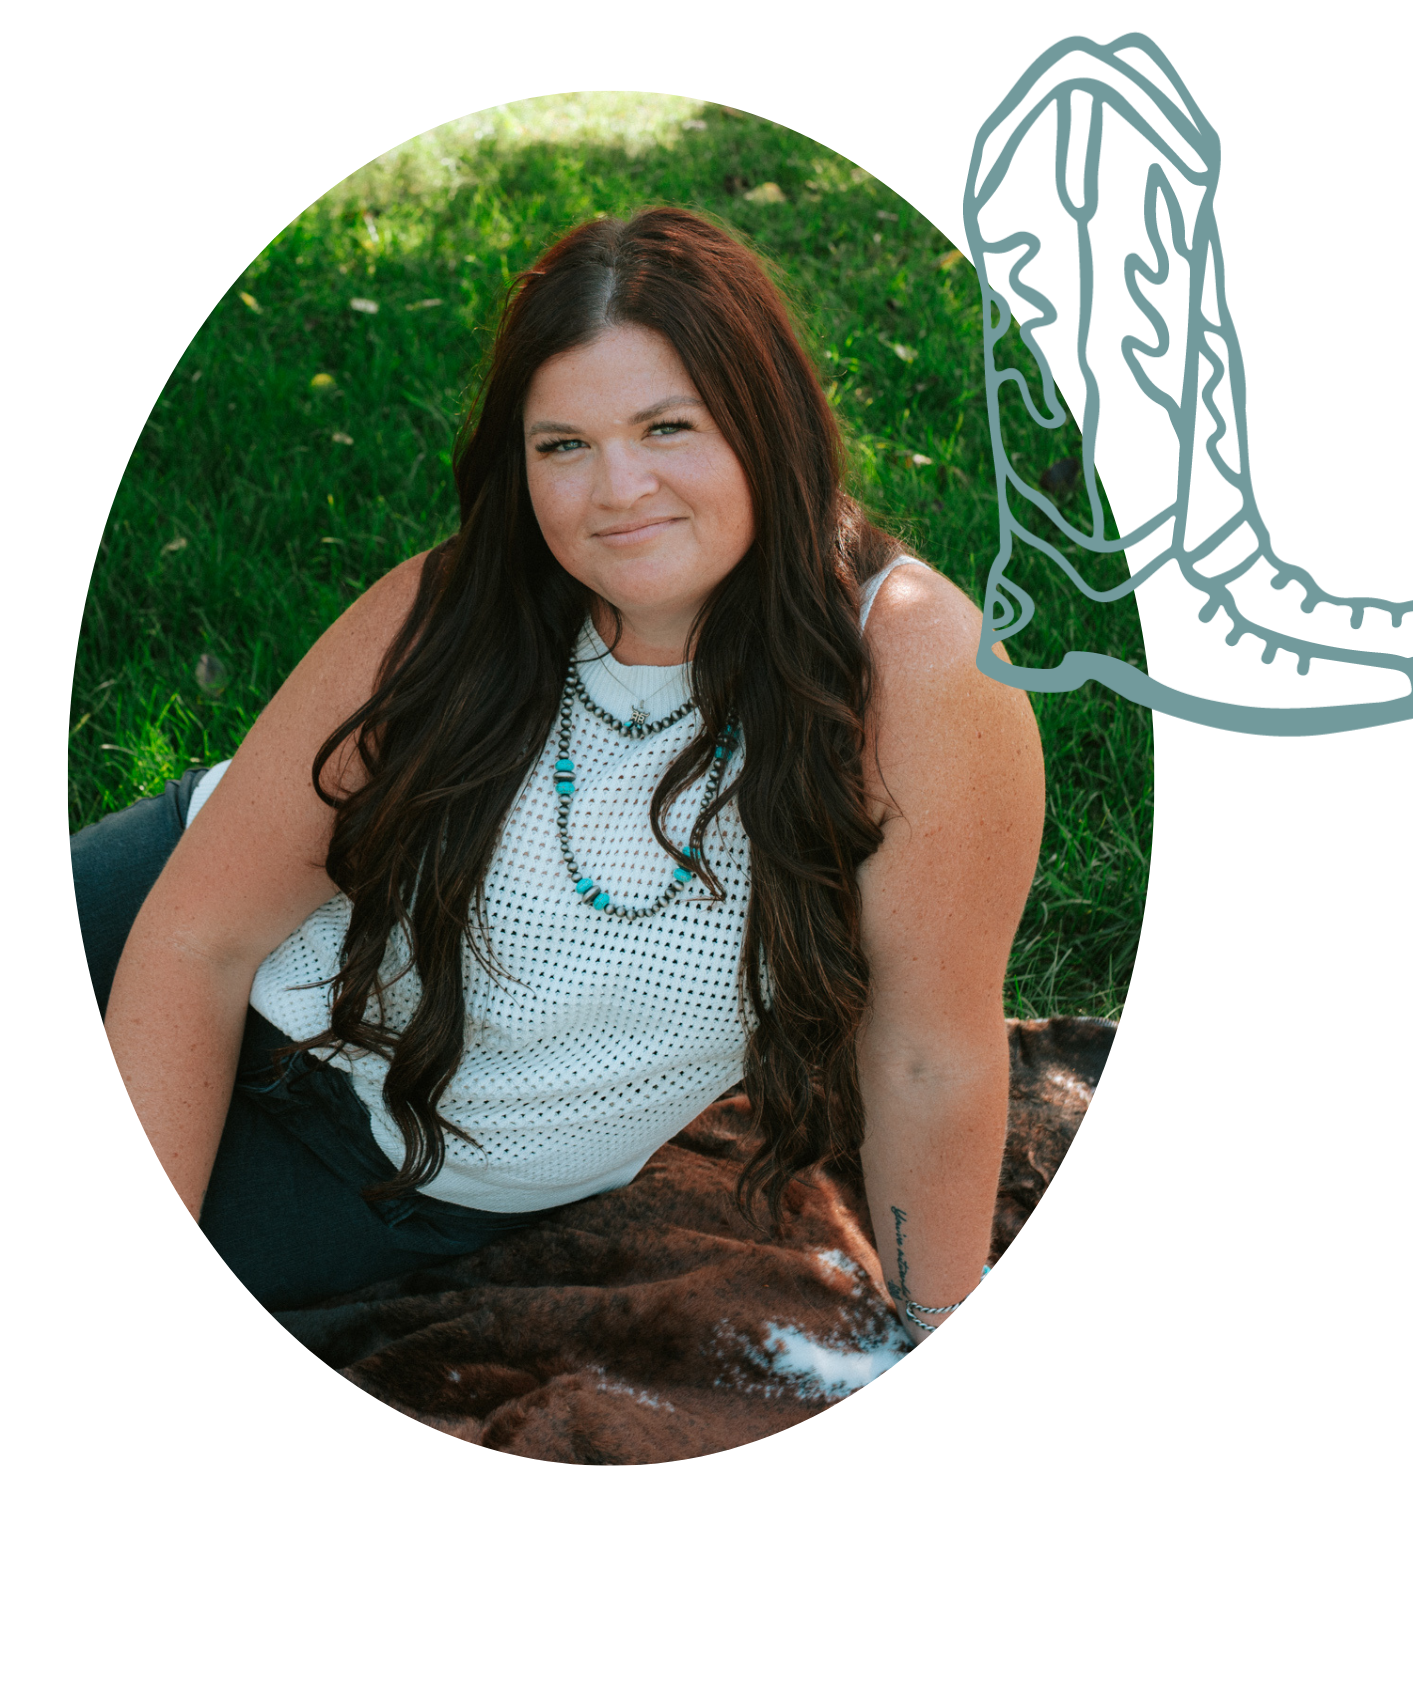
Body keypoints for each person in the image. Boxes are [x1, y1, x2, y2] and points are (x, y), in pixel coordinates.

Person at [82, 206, 1046, 1346]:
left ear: (766, 422)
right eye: (564, 445)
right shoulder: (460, 606)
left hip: (380, 1163)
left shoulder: (917, 667)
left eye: (666, 425)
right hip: (157, 937)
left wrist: (938, 1346)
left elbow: (929, 1054)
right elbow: (197, 936)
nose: (615, 489)